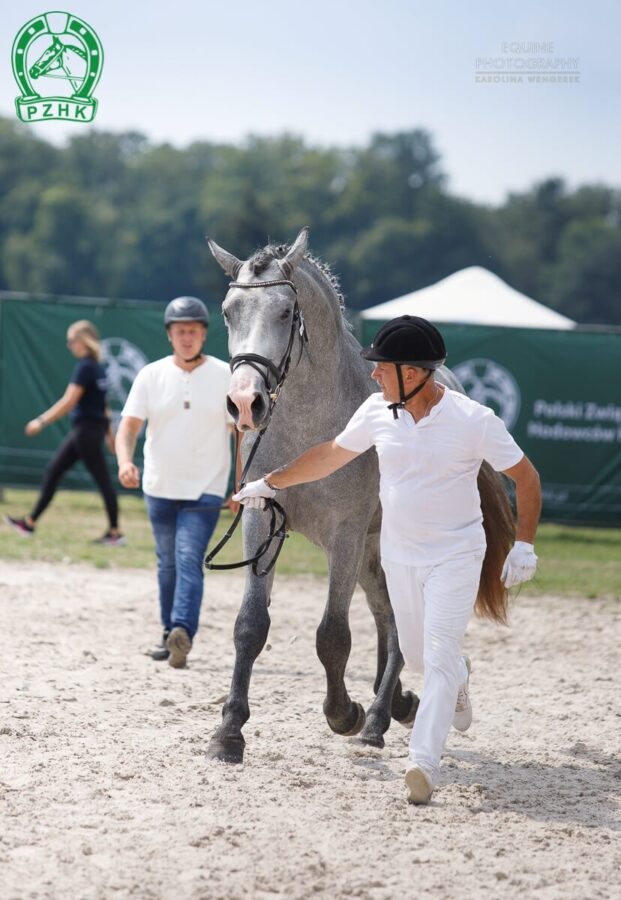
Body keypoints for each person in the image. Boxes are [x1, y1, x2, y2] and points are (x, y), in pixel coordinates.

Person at [233, 315, 542, 805]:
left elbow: (526, 477)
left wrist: (524, 543)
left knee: (436, 657)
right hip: (400, 555)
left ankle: (422, 762)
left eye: (383, 367)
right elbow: (330, 454)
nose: (373, 375)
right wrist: (271, 482)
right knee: (420, 658)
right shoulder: (378, 411)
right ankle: (458, 676)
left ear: (414, 373)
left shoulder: (473, 419)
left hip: (457, 553)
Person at [115, 296, 235, 669]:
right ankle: (169, 634)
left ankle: (182, 629)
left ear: (203, 335)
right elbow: (129, 427)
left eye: (194, 332)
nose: (187, 338)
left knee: (187, 558)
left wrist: (241, 484)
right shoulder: (150, 375)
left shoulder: (226, 374)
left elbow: (241, 433)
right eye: (180, 331)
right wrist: (124, 461)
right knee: (166, 563)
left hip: (206, 487)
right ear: (170, 335)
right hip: (158, 485)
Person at [4, 319, 123, 545]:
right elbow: (104, 406)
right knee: (54, 471)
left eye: (71, 341)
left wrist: (41, 420)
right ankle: (30, 523)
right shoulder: (98, 368)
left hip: (85, 431)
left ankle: (115, 533)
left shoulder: (86, 367)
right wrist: (109, 436)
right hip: (90, 430)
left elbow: (69, 401)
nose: (69, 346)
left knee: (102, 480)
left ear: (83, 341)